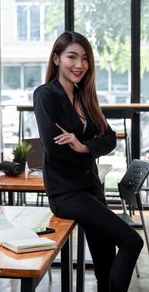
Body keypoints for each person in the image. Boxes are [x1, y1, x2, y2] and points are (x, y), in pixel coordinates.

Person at [33, 31, 143, 292]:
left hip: (92, 189)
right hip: (66, 193)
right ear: (57, 59)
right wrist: (89, 149)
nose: (79, 65)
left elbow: (110, 138)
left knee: (105, 265)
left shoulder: (84, 96)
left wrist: (83, 146)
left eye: (85, 58)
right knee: (131, 241)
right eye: (72, 56)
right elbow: (54, 147)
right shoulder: (46, 94)